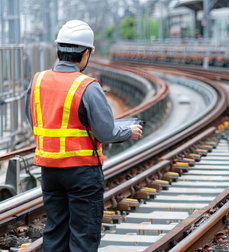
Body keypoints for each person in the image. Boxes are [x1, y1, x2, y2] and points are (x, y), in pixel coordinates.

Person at [25, 20, 143, 252]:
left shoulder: (37, 82)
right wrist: (129, 131)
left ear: (58, 48)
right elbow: (105, 131)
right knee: (83, 235)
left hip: (49, 170)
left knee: (55, 231)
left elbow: (35, 122)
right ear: (86, 53)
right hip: (82, 171)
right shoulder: (87, 86)